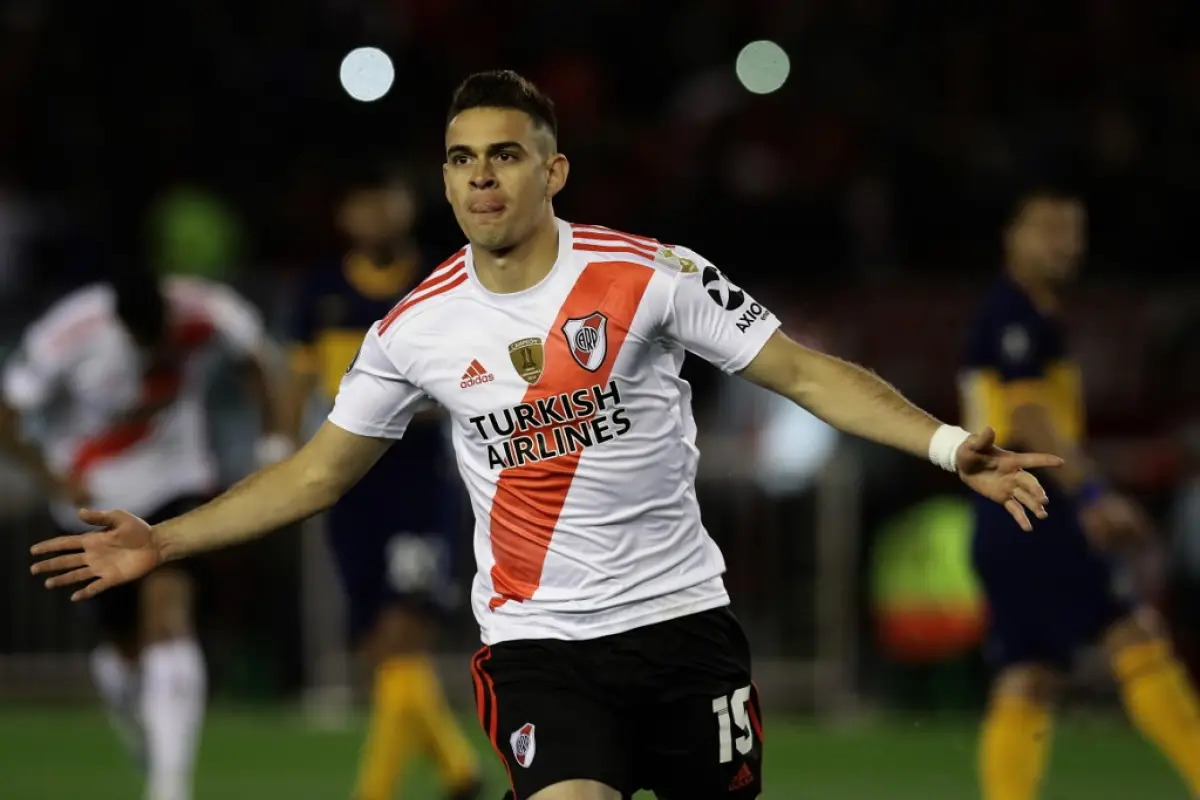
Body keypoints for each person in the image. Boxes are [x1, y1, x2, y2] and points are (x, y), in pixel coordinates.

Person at [33, 71, 1059, 800]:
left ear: (553, 170)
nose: (484, 177)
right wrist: (165, 540)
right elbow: (315, 472)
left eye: (507, 156)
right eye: (463, 159)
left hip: (683, 626)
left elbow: (801, 370)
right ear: (444, 180)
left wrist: (946, 443)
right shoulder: (414, 329)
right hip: (541, 644)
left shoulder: (651, 273)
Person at [4, 260, 289, 800]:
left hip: (176, 488)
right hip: (95, 505)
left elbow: (256, 357)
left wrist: (272, 440)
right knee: (122, 654)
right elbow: (7, 411)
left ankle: (169, 787)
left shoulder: (201, 311)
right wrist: (54, 480)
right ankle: (136, 723)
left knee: (170, 615)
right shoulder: (70, 332)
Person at [959, 186, 1200, 800]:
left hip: (1006, 512)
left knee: (1029, 673)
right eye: (1048, 229)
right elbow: (1029, 412)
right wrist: (1092, 493)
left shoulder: (1020, 312)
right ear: (1011, 236)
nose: (1065, 244)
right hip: (1039, 505)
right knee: (1132, 637)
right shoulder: (1015, 314)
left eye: (1073, 230)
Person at [286, 166, 481, 799]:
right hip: (347, 483)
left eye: (386, 200)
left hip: (418, 478)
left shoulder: (443, 281)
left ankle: (374, 793)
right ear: (347, 215)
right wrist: (285, 461)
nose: (377, 215)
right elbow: (297, 382)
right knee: (381, 648)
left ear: (406, 207)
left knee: (404, 635)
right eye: (363, 203)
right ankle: (458, 771)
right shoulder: (319, 291)